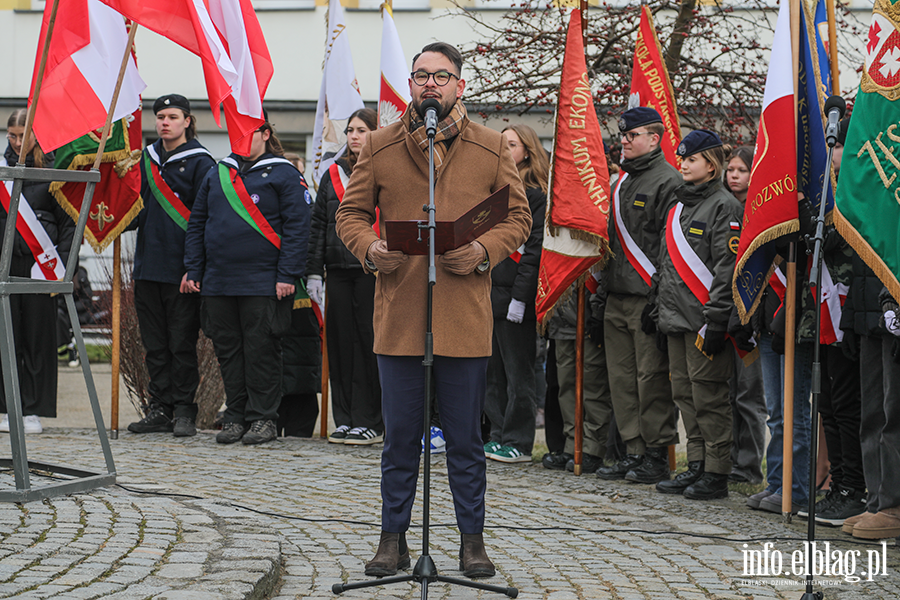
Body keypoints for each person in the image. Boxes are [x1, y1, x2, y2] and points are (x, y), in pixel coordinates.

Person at [335, 42, 531, 579]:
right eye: (420, 75)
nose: (429, 84)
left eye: (440, 76)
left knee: (465, 441)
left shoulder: (491, 147)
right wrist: (371, 248)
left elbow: (518, 218)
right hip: (399, 317)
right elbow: (349, 215)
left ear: (459, 86)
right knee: (399, 441)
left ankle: (472, 542)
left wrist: (485, 250)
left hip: (464, 318)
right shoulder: (377, 145)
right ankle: (392, 540)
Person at [184, 115, 311, 446]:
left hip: (264, 282)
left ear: (265, 134)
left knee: (262, 352)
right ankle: (236, 415)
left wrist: (287, 274)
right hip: (219, 282)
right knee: (229, 352)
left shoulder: (284, 173)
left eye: (247, 133)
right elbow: (198, 224)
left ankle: (263, 418)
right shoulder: (218, 173)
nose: (238, 139)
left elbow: (298, 228)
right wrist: (194, 269)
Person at [653, 130, 743, 500]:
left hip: (706, 319)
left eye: (691, 159)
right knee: (685, 395)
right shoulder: (678, 206)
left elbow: (726, 267)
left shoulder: (724, 206)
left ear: (711, 164)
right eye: (682, 159)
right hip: (676, 318)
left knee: (709, 396)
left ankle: (717, 471)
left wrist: (718, 317)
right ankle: (697, 465)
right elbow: (666, 264)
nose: (684, 164)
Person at [596, 107, 681, 484]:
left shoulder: (668, 181)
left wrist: (658, 298)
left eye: (632, 135)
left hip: (646, 297)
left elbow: (669, 248)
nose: (625, 140)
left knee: (651, 380)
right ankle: (632, 450)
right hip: (616, 294)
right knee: (622, 379)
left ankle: (655, 453)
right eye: (623, 135)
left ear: (654, 138)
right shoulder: (621, 182)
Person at [126, 94, 216, 438]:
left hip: (181, 271)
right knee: (155, 346)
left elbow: (205, 219)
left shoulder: (201, 162)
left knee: (181, 344)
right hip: (147, 266)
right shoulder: (143, 159)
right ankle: (159, 408)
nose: (165, 122)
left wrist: (195, 268)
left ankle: (183, 411)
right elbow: (133, 209)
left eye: (172, 116)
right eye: (160, 116)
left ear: (187, 121)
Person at [307, 108, 383, 445]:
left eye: (362, 130)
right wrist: (313, 271)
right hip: (337, 271)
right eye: (350, 130)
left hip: (373, 273)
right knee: (339, 346)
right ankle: (345, 418)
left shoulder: (386, 171)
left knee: (368, 345)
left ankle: (370, 419)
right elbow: (318, 226)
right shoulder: (332, 174)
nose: (354, 136)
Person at [0, 109, 73, 435]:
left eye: (23, 135)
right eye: (12, 135)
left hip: (40, 268)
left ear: (35, 135)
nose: (17, 142)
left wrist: (63, 266)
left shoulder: (55, 172)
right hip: (3, 267)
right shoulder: (2, 171)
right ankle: (5, 407)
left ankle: (33, 410)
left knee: (38, 340)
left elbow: (69, 224)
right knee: (5, 339)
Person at [483, 124, 547, 463]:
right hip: (489, 292)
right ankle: (496, 434)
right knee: (492, 373)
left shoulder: (535, 197)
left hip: (516, 298)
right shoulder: (494, 193)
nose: (504, 150)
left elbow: (533, 252)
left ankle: (519, 441)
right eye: (501, 144)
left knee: (518, 372)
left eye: (511, 144)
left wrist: (522, 298)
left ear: (527, 150)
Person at [723, 146, 767, 484]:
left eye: (741, 170)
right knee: (728, 392)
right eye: (730, 170)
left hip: (753, 315)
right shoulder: (725, 208)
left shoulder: (761, 208)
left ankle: (749, 466)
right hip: (726, 314)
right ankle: (729, 460)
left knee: (748, 395)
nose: (734, 176)